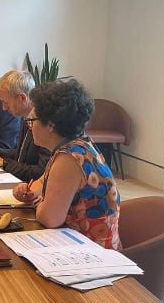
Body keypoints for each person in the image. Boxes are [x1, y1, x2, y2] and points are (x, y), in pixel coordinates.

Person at [12, 78, 121, 250]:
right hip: (78, 243)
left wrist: (38, 202)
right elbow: (38, 186)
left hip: (90, 252)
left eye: (32, 120)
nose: (29, 127)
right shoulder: (78, 144)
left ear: (50, 125)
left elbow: (50, 219)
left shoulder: (69, 158)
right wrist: (26, 192)